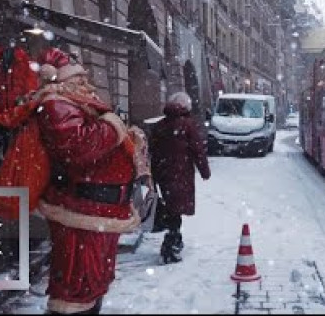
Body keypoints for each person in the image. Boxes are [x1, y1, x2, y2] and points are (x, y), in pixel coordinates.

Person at [33, 48, 140, 314]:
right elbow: (78, 146)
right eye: (79, 77)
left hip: (96, 209)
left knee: (91, 283)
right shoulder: (55, 103)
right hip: (81, 209)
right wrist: (113, 126)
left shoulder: (74, 102)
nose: (86, 82)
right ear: (63, 79)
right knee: (77, 286)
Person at [148, 91, 211, 264]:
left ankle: (174, 238)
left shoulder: (160, 125)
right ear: (185, 107)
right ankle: (171, 243)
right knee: (176, 208)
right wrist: (204, 171)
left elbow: (152, 150)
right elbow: (198, 150)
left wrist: (154, 175)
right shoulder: (188, 125)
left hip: (163, 174)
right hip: (181, 174)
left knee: (171, 206)